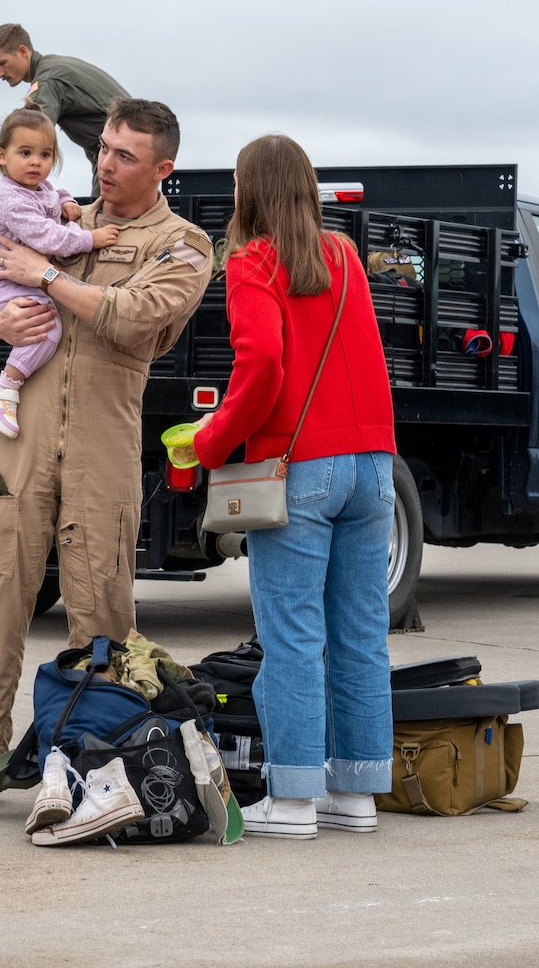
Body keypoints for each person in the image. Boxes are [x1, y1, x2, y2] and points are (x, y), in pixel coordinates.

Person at [0, 98, 213, 812]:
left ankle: (94, 762)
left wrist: (44, 274)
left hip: (100, 445)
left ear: (162, 168)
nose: (104, 165)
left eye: (124, 156)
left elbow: (132, 316)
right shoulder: (57, 214)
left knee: (99, 608)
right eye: (103, 149)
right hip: (17, 435)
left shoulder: (184, 244)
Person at [192, 134, 396, 839]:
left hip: (299, 467)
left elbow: (265, 368)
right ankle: (358, 793)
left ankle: (295, 800)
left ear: (248, 192)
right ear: (307, 187)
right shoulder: (343, 255)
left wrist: (212, 444)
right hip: (374, 465)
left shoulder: (252, 261)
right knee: (362, 634)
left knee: (292, 637)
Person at [0, 106, 120, 438]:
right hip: (3, 284)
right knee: (48, 327)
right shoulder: (9, 199)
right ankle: (5, 386)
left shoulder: (36, 188)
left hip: (17, 279)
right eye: (24, 153)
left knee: (45, 322)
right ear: (1, 156)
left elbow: (53, 193)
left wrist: (68, 201)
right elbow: (46, 235)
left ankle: (7, 386)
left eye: (45, 154)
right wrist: (90, 238)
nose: (36, 162)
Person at [0, 23, 131, 196]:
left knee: (105, 217)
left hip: (121, 157)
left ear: (23, 52)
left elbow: (31, 133)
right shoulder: (52, 67)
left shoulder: (47, 82)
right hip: (121, 155)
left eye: (2, 63)